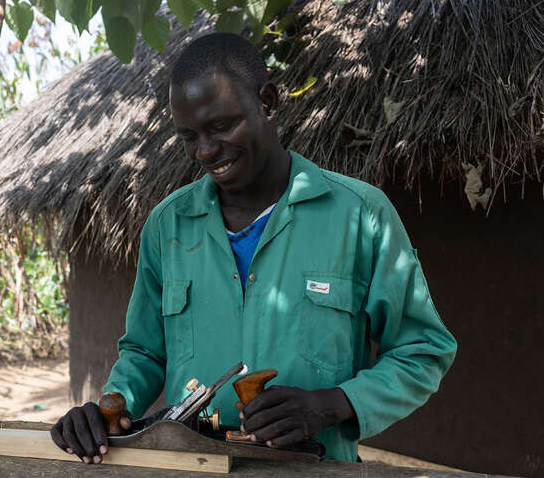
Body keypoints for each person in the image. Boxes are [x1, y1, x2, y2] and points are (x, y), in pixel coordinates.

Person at [50, 32, 457, 464]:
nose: (206, 151)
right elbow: (146, 353)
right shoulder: (167, 226)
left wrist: (332, 403)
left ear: (267, 101)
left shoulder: (360, 216)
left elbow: (422, 351)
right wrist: (109, 408)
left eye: (221, 126)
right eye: (189, 136)